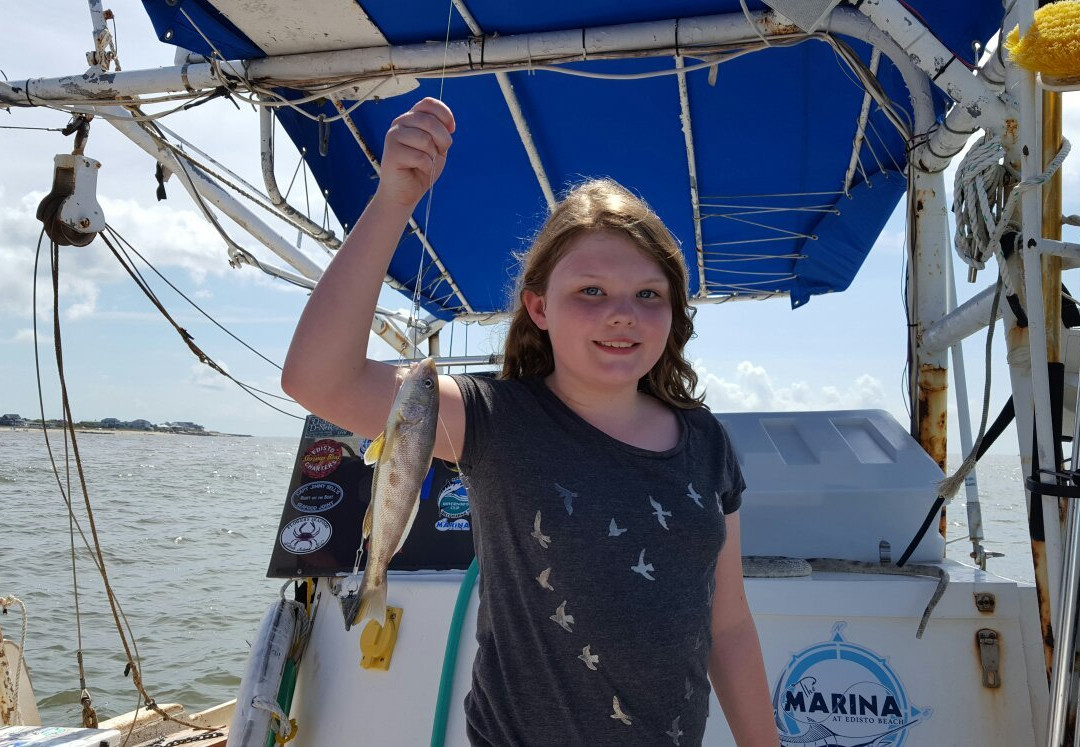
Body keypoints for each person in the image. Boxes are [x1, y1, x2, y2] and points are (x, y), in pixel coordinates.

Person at [282, 97, 777, 746]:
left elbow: (729, 623)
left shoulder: (707, 443)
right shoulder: (493, 419)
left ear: (674, 311)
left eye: (648, 294)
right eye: (591, 291)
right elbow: (318, 378)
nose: (622, 313)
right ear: (539, 308)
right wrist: (393, 200)